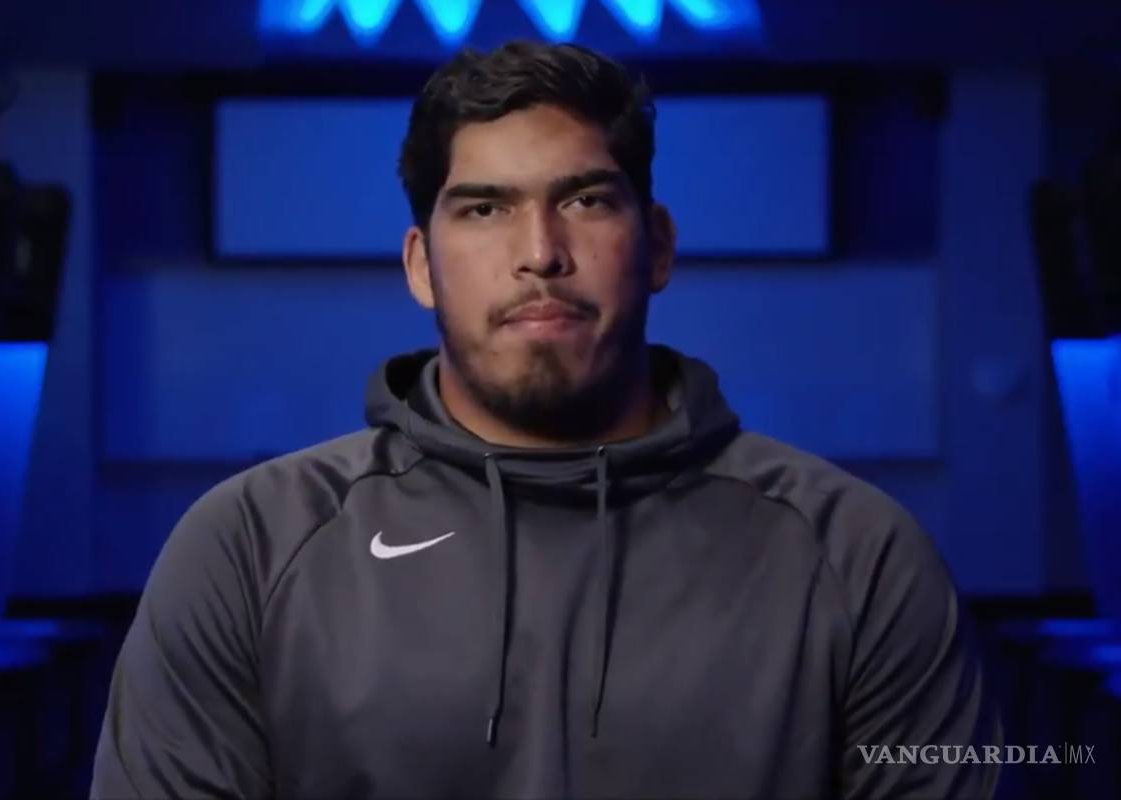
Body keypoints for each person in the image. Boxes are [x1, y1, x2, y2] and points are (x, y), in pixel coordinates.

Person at [91, 40, 1002, 799]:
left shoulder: (858, 556)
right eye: (485, 209)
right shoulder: (248, 546)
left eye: (586, 200)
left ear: (658, 247)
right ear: (420, 266)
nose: (540, 254)